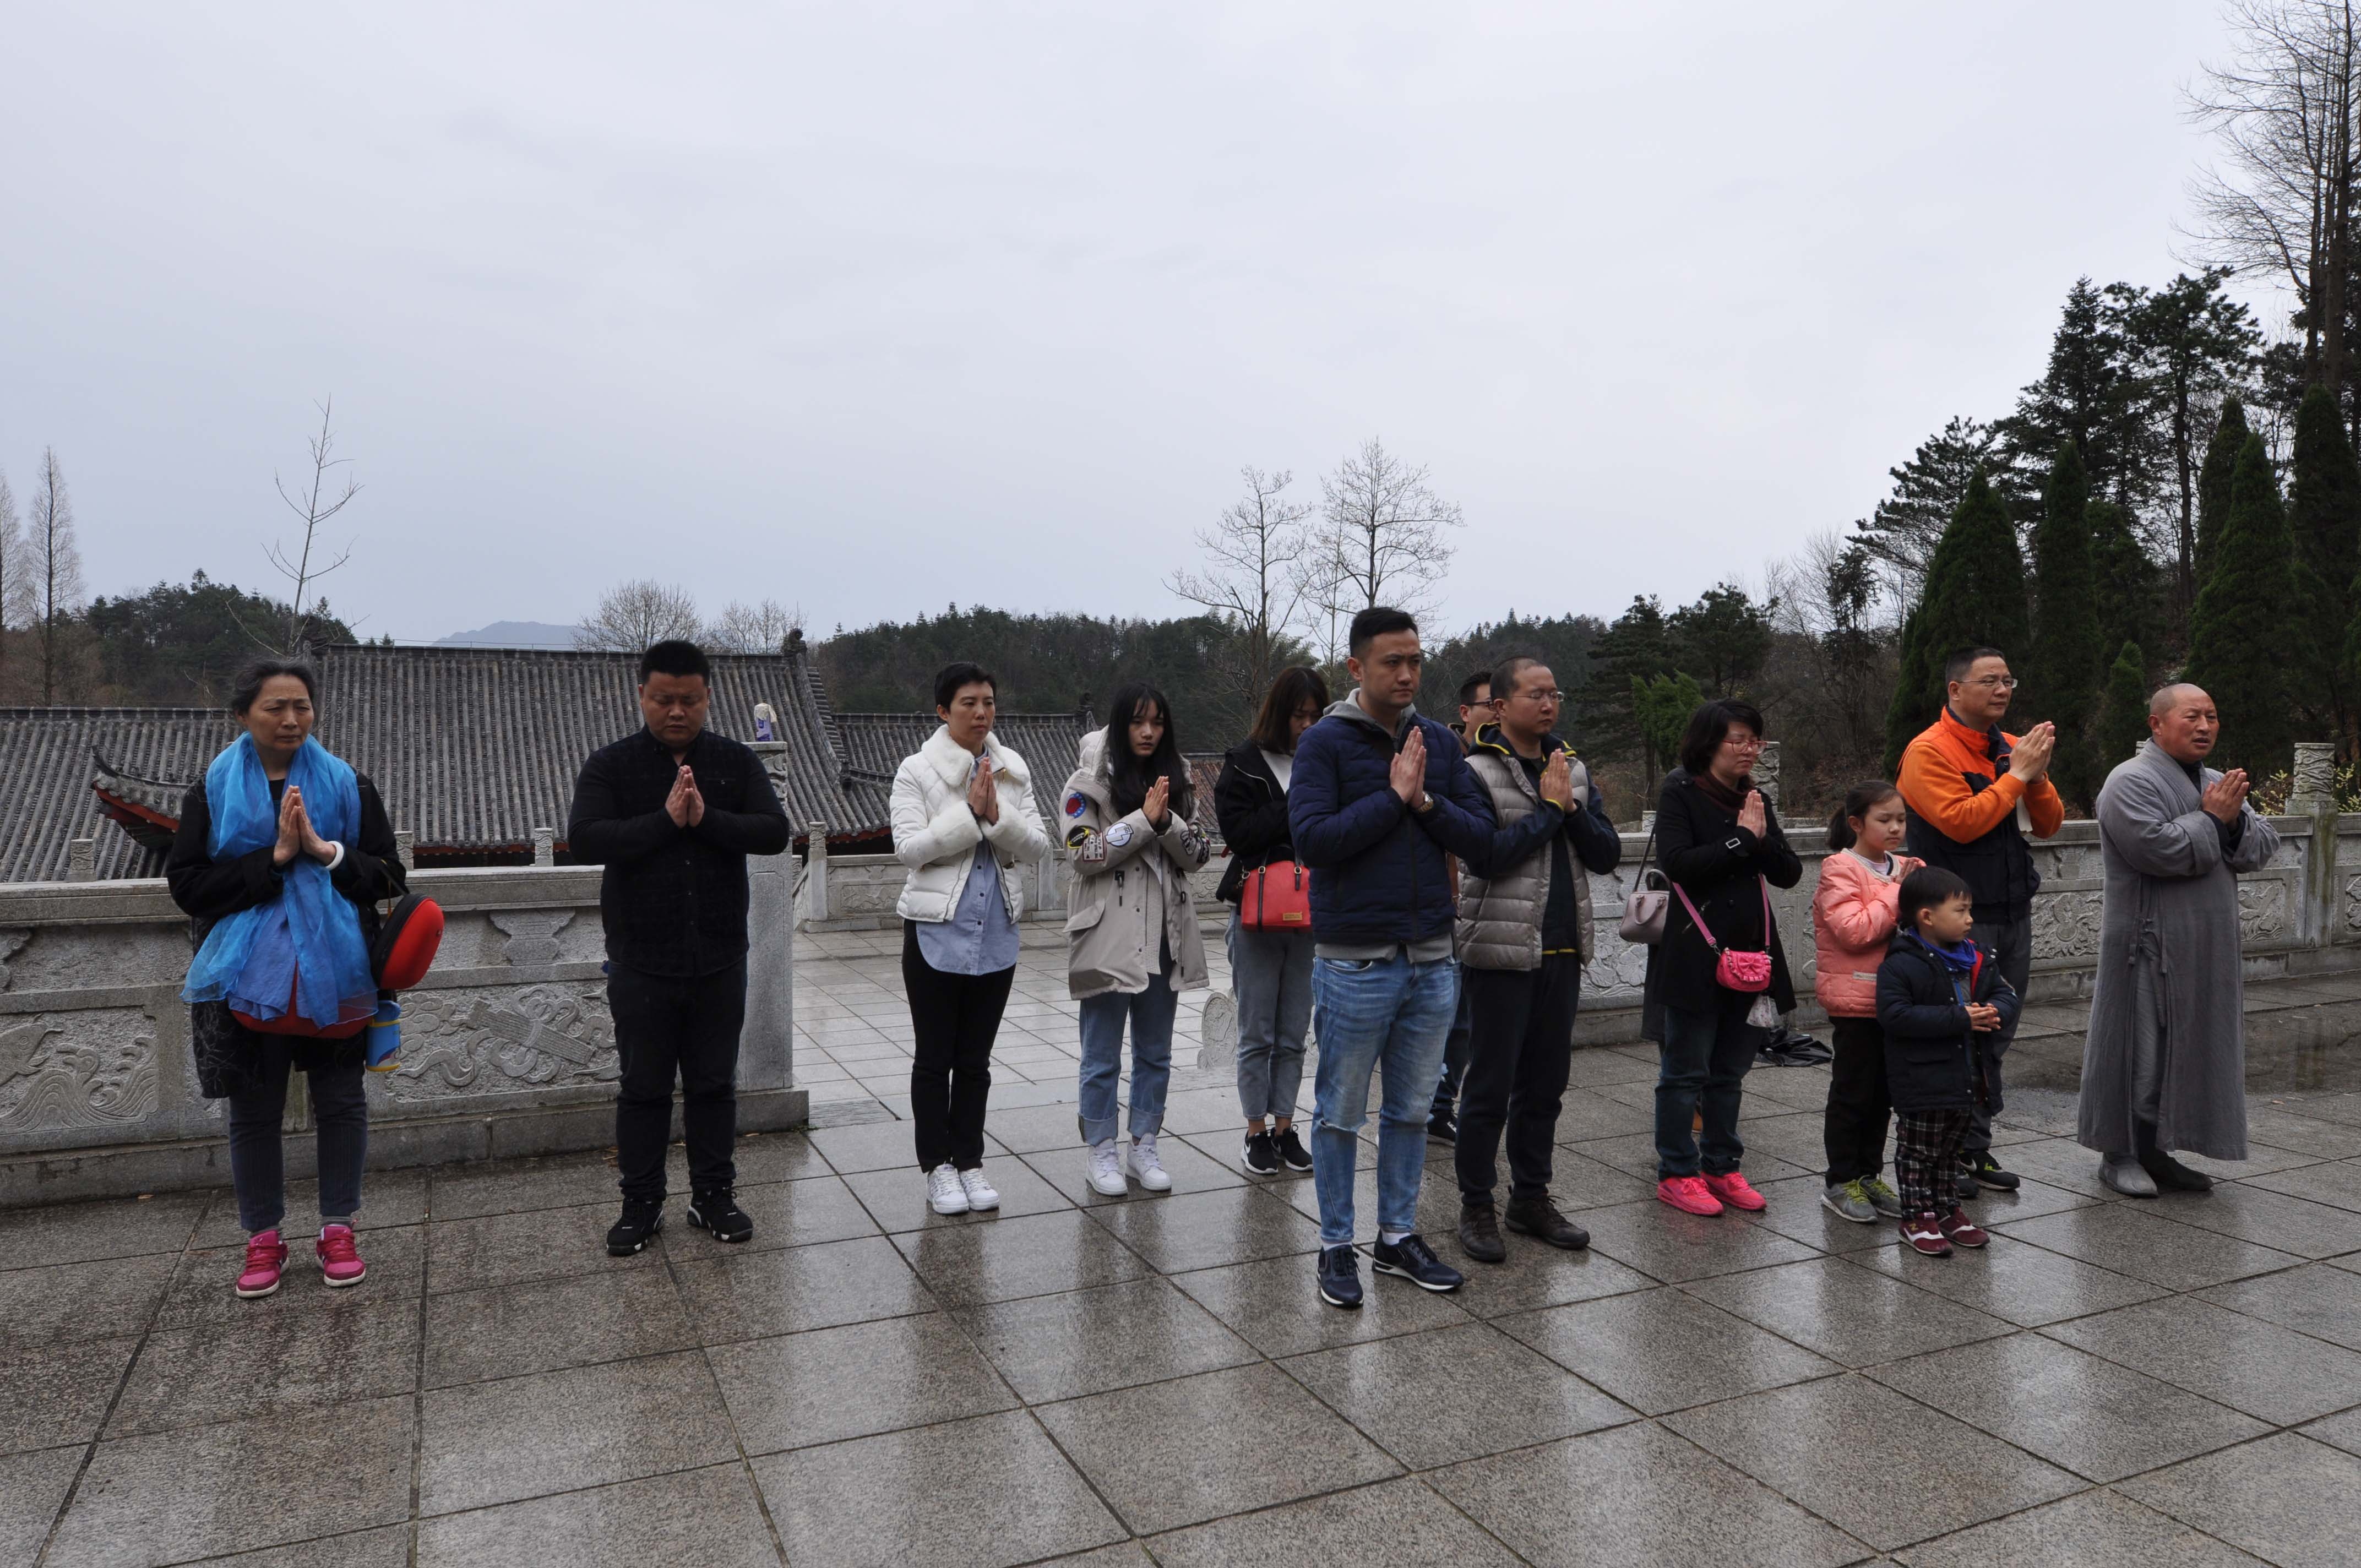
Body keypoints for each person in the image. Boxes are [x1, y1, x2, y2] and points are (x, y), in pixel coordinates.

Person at [170, 658, 407, 1299]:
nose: (291, 718)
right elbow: (188, 887)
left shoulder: (347, 784)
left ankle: (338, 1227)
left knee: (341, 1100)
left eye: (301, 705)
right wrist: (271, 860)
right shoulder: (211, 789)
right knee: (254, 1108)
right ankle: (263, 1237)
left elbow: (389, 877)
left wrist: (325, 853)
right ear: (243, 715)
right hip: (244, 972)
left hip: (336, 969)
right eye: (275, 706)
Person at [1290, 606, 1500, 1309]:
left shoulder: (1437, 741)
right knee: (1341, 1112)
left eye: (1415, 660)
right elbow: (1313, 842)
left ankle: (1397, 1236)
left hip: (1433, 957)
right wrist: (1392, 797)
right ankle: (1334, 1244)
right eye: (1391, 661)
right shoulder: (1324, 744)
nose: (1407, 673)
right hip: (1355, 961)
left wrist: (1425, 802)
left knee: (1411, 1110)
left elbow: (1482, 836)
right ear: (1356, 667)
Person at [570, 639, 790, 1256]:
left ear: (706, 698)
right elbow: (585, 839)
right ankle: (640, 1203)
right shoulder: (612, 765)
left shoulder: (734, 762)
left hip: (721, 954)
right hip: (641, 958)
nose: (675, 711)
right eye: (663, 699)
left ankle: (713, 1195)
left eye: (689, 700)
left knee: (713, 1084)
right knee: (642, 1086)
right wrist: (666, 820)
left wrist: (705, 818)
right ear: (641, 695)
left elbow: (773, 832)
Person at [2076, 684, 2279, 1196]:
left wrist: (2228, 826)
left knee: (2190, 1049)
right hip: (2146, 942)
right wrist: (2213, 820)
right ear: (2156, 724)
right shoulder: (2130, 781)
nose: (2205, 726)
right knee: (2140, 1050)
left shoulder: (2216, 781)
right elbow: (2157, 850)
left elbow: (2261, 845)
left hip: (2207, 943)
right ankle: (2118, 1153)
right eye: (2192, 716)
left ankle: (2158, 1150)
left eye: (2212, 716)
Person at [1452, 655, 1622, 1262]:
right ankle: (1476, 1204)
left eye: (1555, 693)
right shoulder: (1472, 770)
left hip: (1561, 947)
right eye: (1534, 694)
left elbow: (1604, 855)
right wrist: (1547, 812)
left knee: (1545, 1087)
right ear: (1500, 707)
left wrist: (1569, 808)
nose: (1548, 704)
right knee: (1489, 1087)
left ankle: (1530, 1197)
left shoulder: (1570, 768)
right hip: (1498, 950)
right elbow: (1486, 856)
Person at [1896, 646, 2063, 1197]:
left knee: (1996, 1032)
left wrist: (2032, 777)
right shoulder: (1928, 751)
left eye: (2008, 679)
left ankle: (1973, 1149)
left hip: (2011, 910)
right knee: (1955, 1036)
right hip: (1953, 919)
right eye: (1989, 680)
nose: (2002, 689)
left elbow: (2049, 824)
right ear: (1954, 690)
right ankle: (1937, 1153)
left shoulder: (2011, 748)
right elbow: (1960, 824)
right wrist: (2017, 776)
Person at [891, 661, 1052, 1215]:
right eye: (968, 702)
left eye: (988, 701)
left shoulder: (1013, 768)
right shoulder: (916, 770)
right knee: (935, 1058)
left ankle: (970, 1160)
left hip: (996, 931)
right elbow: (909, 848)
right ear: (943, 710)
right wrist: (969, 814)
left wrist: (996, 813)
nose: (981, 711)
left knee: (977, 1061)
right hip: (936, 931)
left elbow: (1037, 846)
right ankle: (937, 1166)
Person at [1643, 700, 1802, 1217]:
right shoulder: (1681, 792)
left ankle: (1722, 1166)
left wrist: (1757, 840)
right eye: (1738, 740)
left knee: (1730, 1072)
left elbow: (1788, 871)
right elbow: (1680, 865)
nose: (1749, 750)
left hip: (1752, 953)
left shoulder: (1754, 797)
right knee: (1685, 1071)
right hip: (1695, 952)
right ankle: (1677, 1172)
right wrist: (1741, 839)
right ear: (1709, 742)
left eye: (1754, 740)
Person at [1063, 682, 1213, 1196]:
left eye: (1158, 723)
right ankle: (1100, 1149)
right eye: (1137, 722)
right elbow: (1083, 854)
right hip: (1109, 936)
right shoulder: (1085, 785)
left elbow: (1197, 854)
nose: (1148, 732)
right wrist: (1142, 822)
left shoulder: (1182, 781)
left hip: (1166, 937)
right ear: (1120, 726)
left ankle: (1144, 1143)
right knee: (1101, 1054)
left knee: (1155, 1053)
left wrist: (1166, 819)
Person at [1214, 666, 1329, 1176]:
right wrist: (1296, 800)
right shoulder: (1242, 764)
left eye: (1314, 716)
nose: (1306, 725)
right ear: (1277, 713)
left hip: (1309, 912)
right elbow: (1241, 834)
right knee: (1256, 1030)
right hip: (1256, 912)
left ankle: (1286, 1127)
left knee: (1293, 1031)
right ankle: (1255, 1131)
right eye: (1298, 715)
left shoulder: (1327, 760)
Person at [1876, 867, 2017, 1256]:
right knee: (1919, 1153)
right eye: (1960, 910)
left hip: (1968, 1077)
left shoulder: (1976, 957)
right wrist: (1961, 1017)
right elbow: (1895, 1016)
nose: (1970, 919)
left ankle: (1947, 1210)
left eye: (1969, 910)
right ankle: (1916, 1217)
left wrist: (1992, 1008)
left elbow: (2007, 993)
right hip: (1922, 1082)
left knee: (1948, 1153)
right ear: (1926, 916)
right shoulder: (1902, 963)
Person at [1813, 781, 1922, 1222]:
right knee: (1853, 1092)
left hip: (1897, 1000)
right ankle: (1841, 1180)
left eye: (1901, 819)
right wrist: (1900, 891)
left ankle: (1869, 1174)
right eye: (1885, 820)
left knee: (1883, 1094)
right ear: (1856, 823)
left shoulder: (1907, 866)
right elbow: (1854, 931)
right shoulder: (1839, 868)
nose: (1895, 828)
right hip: (1855, 999)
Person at [1429, 669, 1493, 1143]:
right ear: (1465, 713)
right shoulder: (1445, 758)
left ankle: (1446, 1102)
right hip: (1450, 903)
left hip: (1493, 908)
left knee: (1470, 1019)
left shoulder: (1509, 761)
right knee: (1446, 1015)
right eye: (1489, 705)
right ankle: (1433, 1105)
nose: (1497, 713)